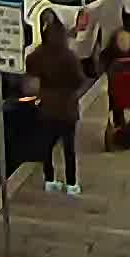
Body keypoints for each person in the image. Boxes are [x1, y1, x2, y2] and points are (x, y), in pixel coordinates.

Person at [27, 15, 88, 197]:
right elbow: (79, 80)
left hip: (47, 107)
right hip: (67, 107)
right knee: (69, 148)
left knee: (46, 145)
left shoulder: (40, 55)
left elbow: (30, 66)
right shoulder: (69, 57)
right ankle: (71, 183)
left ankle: (50, 179)